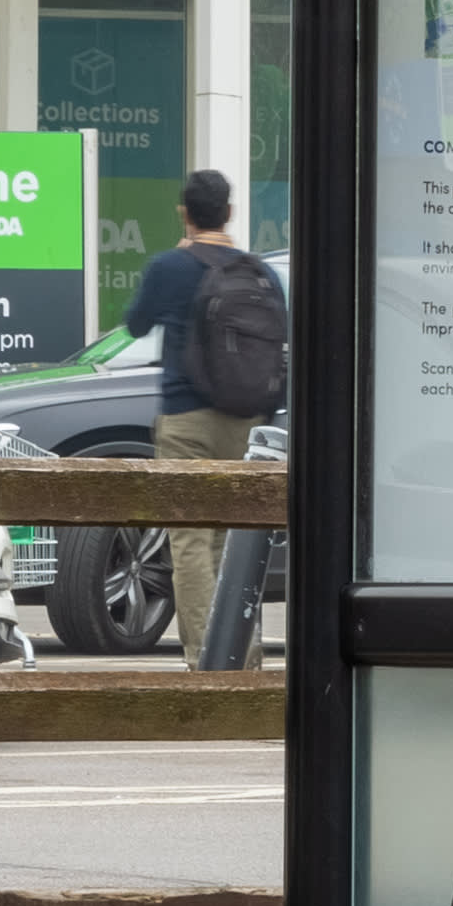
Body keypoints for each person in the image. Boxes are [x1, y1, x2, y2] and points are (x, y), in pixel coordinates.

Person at [117, 166, 285, 652]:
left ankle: (207, 662)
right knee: (235, 547)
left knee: (190, 540)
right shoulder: (260, 272)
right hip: (246, 423)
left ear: (184, 213)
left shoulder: (170, 267)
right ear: (230, 212)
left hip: (186, 420)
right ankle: (242, 656)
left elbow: (134, 325)